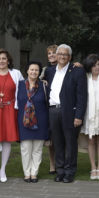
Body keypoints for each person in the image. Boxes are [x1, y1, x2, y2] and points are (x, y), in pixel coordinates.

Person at [44, 44, 87, 184]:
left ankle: (69, 171)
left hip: (70, 112)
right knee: (57, 143)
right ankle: (60, 170)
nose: (62, 56)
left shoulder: (77, 72)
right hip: (53, 111)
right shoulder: (49, 71)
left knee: (70, 143)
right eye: (60, 54)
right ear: (56, 55)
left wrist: (79, 116)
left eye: (65, 54)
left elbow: (82, 96)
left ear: (70, 57)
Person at [0, 49, 24, 184]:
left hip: (10, 110)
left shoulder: (16, 74)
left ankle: (3, 169)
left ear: (8, 60)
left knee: (7, 140)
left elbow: (24, 91)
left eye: (4, 58)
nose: (1, 61)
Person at [17, 60, 49, 183]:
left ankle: (34, 173)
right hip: (23, 120)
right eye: (32, 69)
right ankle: (27, 173)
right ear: (27, 71)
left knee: (37, 149)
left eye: (36, 70)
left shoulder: (44, 86)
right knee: (25, 148)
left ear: (40, 72)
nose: (34, 72)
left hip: (40, 120)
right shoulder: (19, 85)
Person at [40, 45, 58, 174]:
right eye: (49, 53)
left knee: (61, 138)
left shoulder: (66, 68)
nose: (51, 55)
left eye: (54, 53)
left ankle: (62, 162)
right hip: (48, 107)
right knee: (51, 138)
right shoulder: (45, 70)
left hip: (61, 106)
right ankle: (52, 164)